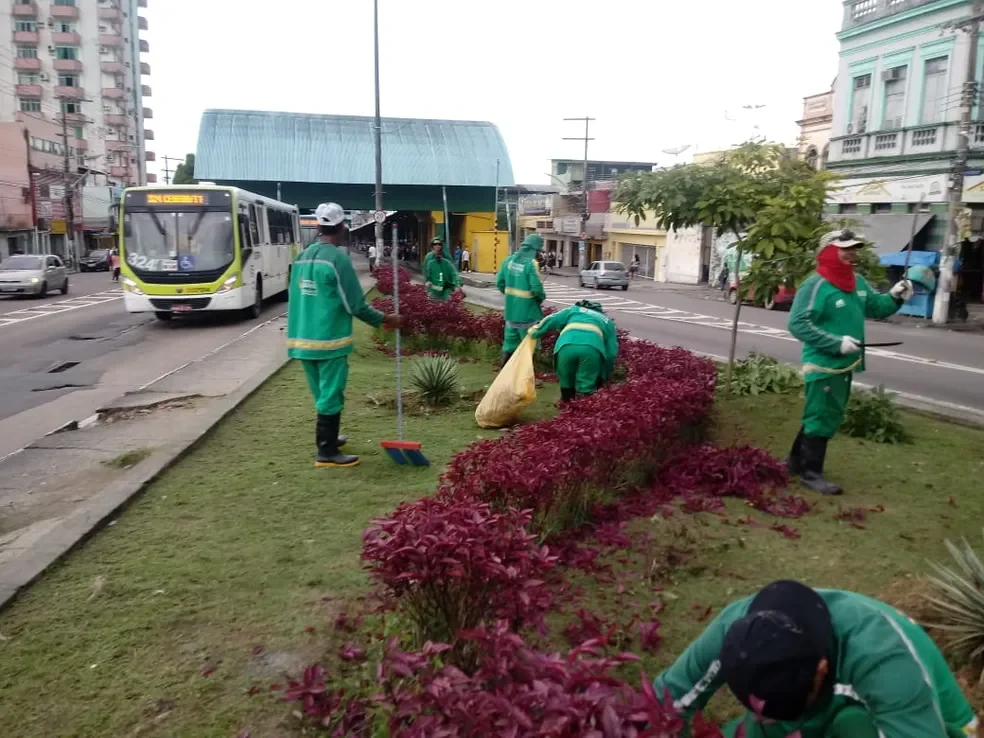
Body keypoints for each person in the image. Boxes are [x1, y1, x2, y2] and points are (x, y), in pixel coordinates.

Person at [653, 579, 978, 738]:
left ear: (822, 670)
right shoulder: (732, 633)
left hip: (930, 720)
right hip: (822, 699)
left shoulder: (883, 660)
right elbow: (665, 706)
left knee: (851, 724)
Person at [786, 230, 913, 495]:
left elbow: (876, 307)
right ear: (829, 252)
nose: (853, 253)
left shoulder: (857, 282)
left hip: (844, 364)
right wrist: (835, 343)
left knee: (823, 413)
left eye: (855, 248)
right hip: (822, 362)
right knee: (821, 414)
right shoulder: (815, 285)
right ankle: (811, 474)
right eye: (846, 249)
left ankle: (794, 463)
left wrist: (895, 296)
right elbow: (797, 323)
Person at [286, 202, 402, 469]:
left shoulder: (302, 257)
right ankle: (326, 451)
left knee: (321, 393)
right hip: (329, 341)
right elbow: (355, 305)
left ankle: (330, 439)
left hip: (301, 339)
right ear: (341, 228)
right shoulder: (338, 260)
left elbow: (295, 297)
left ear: (318, 226)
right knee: (331, 394)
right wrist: (385, 320)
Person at [529, 299, 618, 402]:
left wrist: (535, 331)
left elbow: (551, 319)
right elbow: (611, 353)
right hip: (591, 349)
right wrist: (604, 374)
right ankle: (582, 411)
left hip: (566, 346)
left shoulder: (574, 310)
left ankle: (566, 409)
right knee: (585, 385)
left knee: (566, 382)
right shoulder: (606, 321)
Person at [496, 233, 547, 364]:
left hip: (511, 313)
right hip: (528, 314)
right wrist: (540, 298)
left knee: (509, 347)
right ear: (535, 250)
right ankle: (524, 381)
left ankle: (504, 378)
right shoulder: (531, 264)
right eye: (538, 251)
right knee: (528, 349)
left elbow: (500, 283)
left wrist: (510, 296)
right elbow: (536, 289)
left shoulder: (508, 261)